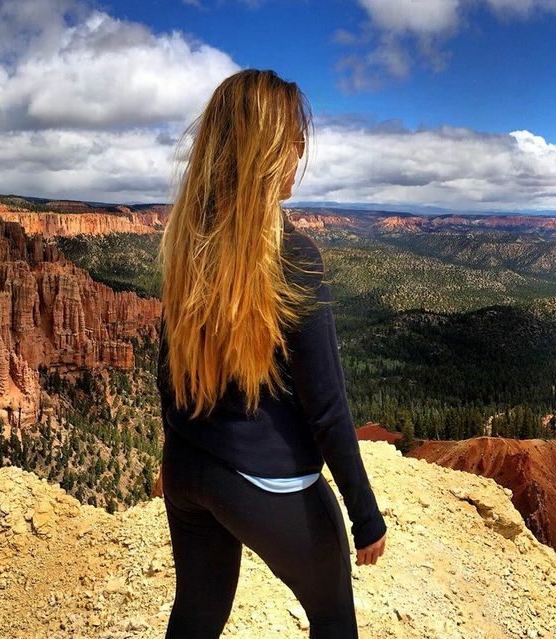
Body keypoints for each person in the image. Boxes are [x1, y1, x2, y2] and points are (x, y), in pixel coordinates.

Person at [156, 68, 387, 639]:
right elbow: (327, 406)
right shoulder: (294, 257)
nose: (300, 154)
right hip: (267, 484)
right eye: (292, 140)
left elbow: (168, 374)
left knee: (197, 615)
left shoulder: (188, 242)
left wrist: (188, 453)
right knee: (334, 621)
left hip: (188, 470)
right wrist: (364, 514)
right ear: (262, 151)